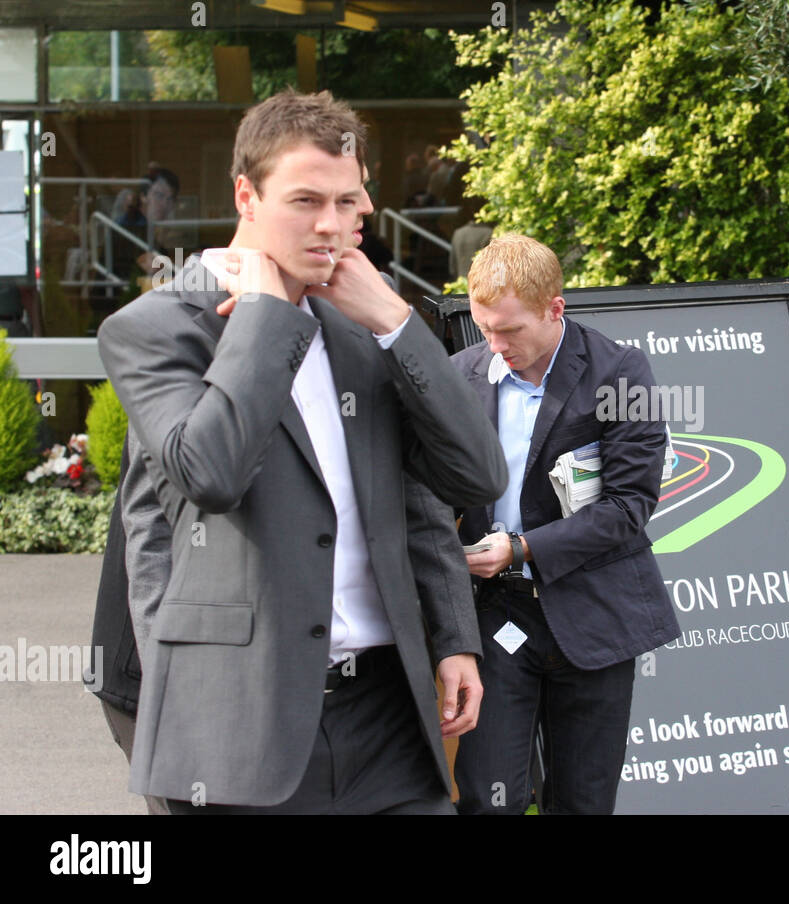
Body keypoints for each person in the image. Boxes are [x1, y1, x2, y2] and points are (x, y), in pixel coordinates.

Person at [96, 89, 508, 814]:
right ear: (246, 197)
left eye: (349, 204)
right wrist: (262, 318)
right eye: (305, 201)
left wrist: (395, 320)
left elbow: (465, 478)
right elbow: (213, 473)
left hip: (388, 720)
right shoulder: (157, 329)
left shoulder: (364, 325)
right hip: (242, 727)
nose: (331, 225)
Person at [450, 233, 680, 815]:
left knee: (582, 801)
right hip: (495, 614)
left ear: (556, 308)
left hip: (594, 610)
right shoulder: (459, 376)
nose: (496, 345)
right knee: (486, 796)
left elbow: (629, 507)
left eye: (511, 330)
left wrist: (521, 548)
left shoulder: (619, 372)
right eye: (485, 329)